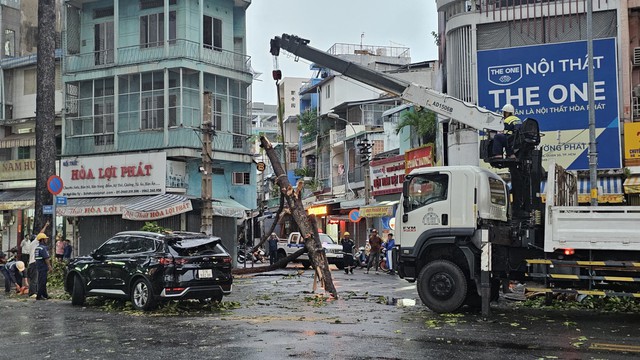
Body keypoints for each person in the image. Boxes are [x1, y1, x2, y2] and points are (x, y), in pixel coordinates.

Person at [34, 233, 53, 300]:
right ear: (42, 240)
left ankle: (45, 295)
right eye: (45, 239)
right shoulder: (43, 248)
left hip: (39, 266)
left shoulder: (37, 248)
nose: (46, 240)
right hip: (43, 267)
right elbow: (46, 258)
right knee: (42, 281)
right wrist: (49, 266)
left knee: (41, 280)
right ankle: (39, 296)